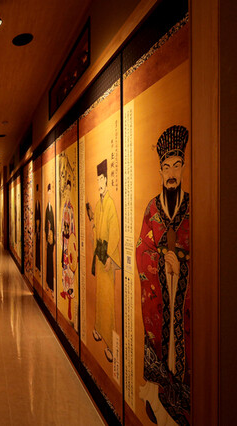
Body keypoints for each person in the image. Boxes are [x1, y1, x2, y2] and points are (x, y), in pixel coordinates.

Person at [136, 125, 190, 426]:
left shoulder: (192, 207)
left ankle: (181, 400)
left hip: (183, 299)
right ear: (160, 171)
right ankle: (157, 396)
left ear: (183, 167)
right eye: (166, 167)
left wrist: (181, 267)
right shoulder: (152, 208)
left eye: (177, 165)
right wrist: (160, 263)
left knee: (182, 353)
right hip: (159, 296)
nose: (172, 173)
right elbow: (141, 250)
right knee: (160, 347)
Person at [89, 159, 120, 363]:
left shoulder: (109, 204)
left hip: (106, 258)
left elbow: (115, 232)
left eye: (102, 179)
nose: (99, 183)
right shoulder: (99, 204)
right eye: (98, 179)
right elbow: (97, 230)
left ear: (107, 180)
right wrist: (93, 224)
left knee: (108, 299)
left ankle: (110, 343)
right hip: (99, 257)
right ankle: (99, 329)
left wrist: (110, 256)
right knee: (100, 296)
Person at [60, 179, 77, 321]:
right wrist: (62, 243)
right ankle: (65, 291)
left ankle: (70, 296)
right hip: (64, 243)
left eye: (68, 191)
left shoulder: (71, 209)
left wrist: (71, 245)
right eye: (65, 191)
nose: (67, 194)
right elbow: (61, 227)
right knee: (64, 269)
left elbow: (73, 229)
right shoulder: (64, 208)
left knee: (70, 271)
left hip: (70, 244)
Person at [44, 183, 55, 292]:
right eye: (48, 192)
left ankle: (51, 284)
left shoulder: (52, 208)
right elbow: (45, 226)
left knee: (51, 261)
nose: (49, 194)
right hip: (48, 239)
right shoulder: (47, 208)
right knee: (48, 261)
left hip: (52, 240)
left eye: (51, 192)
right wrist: (47, 236)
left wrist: (53, 238)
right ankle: (48, 283)